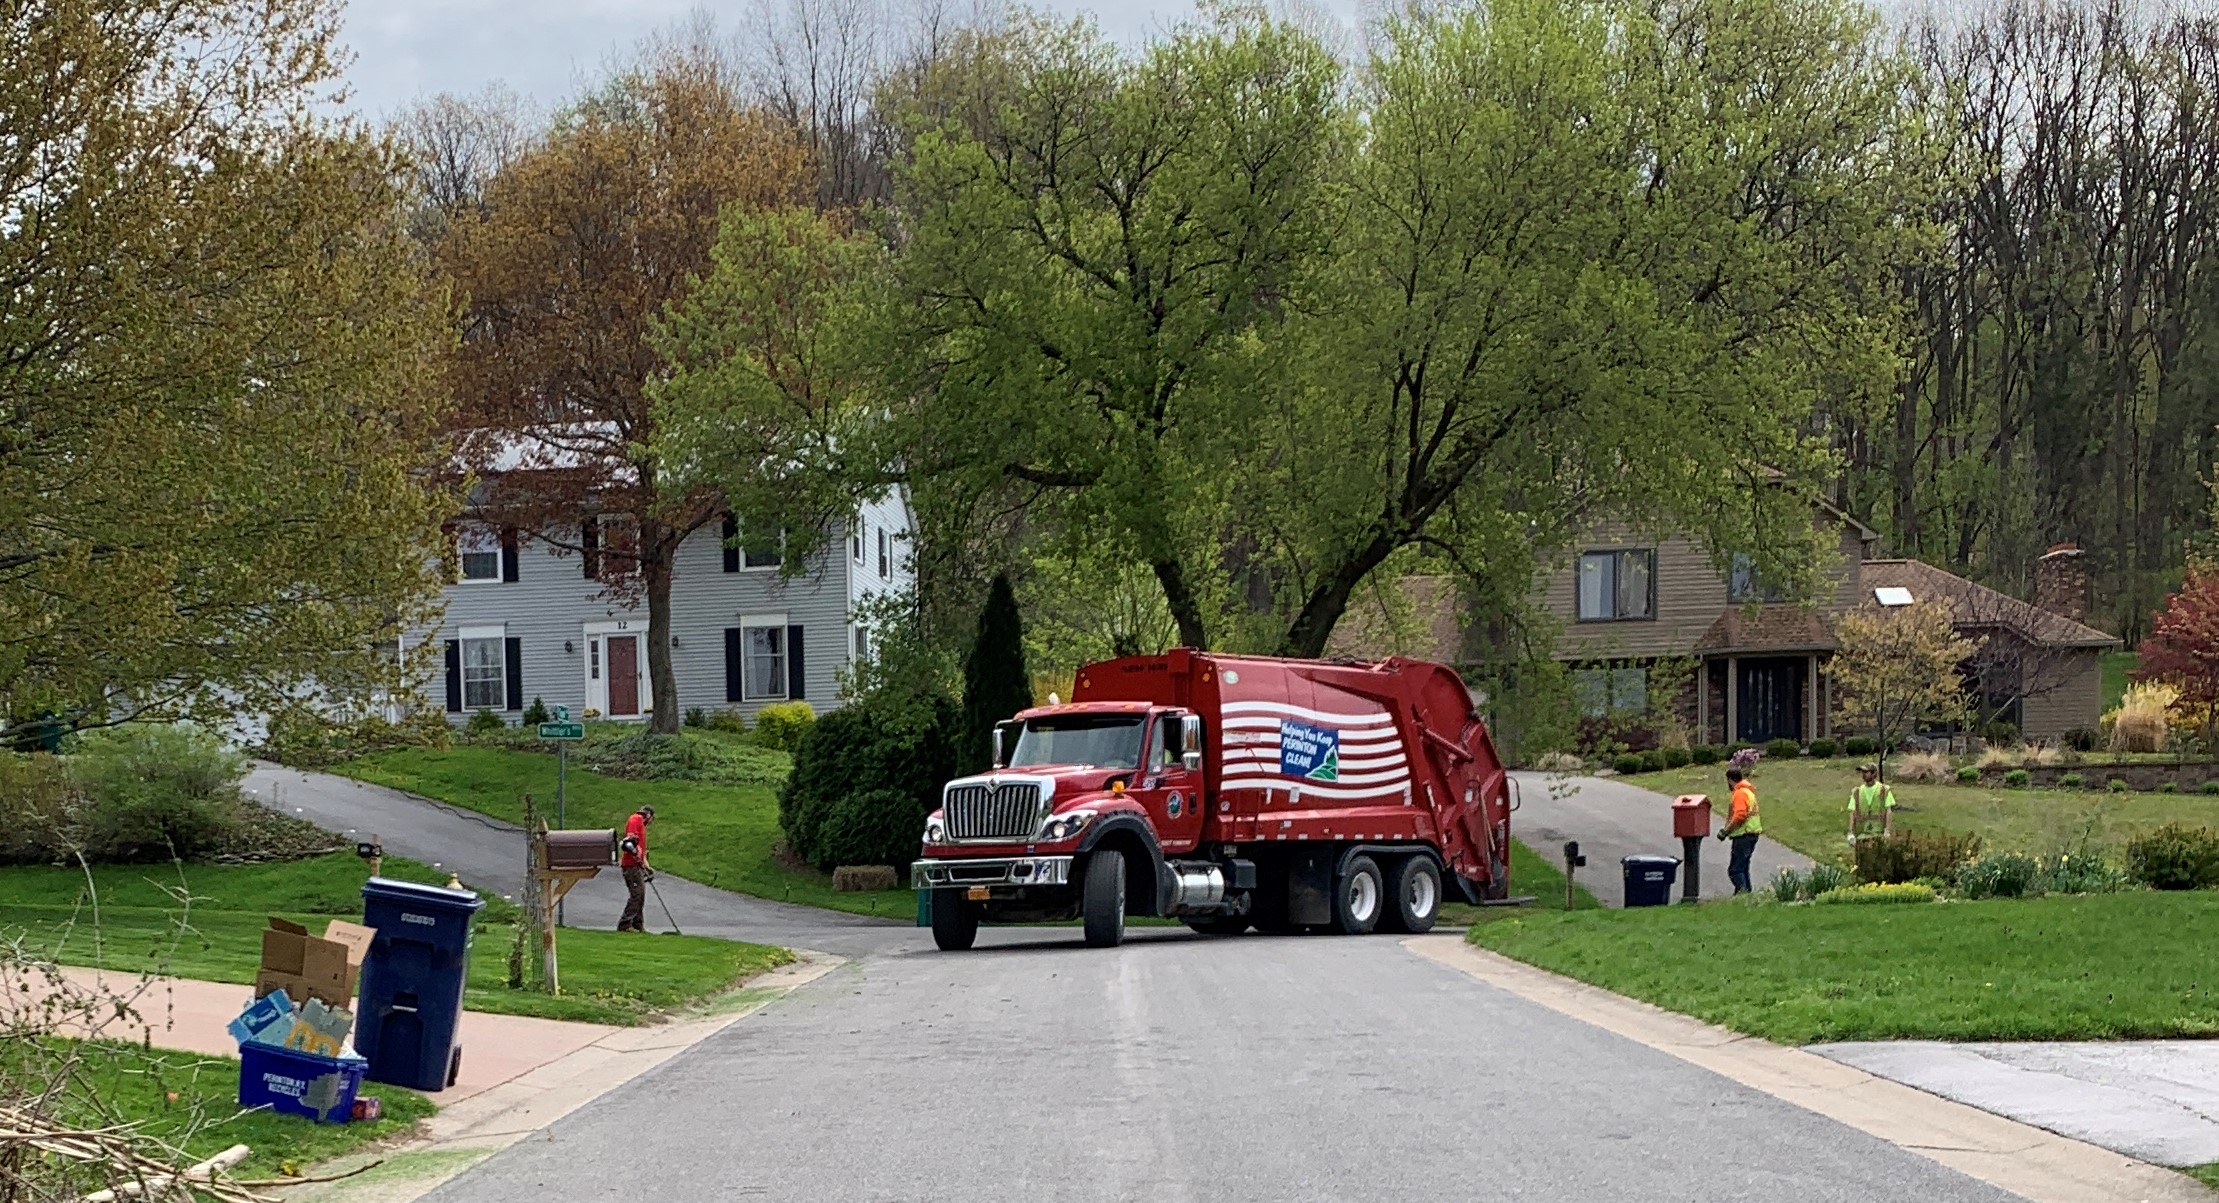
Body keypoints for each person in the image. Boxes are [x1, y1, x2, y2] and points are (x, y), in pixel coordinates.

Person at [1715, 768, 1762, 894]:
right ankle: (1746, 895)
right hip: (1752, 833)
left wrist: (1726, 831)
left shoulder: (1740, 793)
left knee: (1735, 870)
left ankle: (1742, 894)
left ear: (1730, 780)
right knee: (1743, 868)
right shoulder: (1749, 792)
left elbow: (1740, 815)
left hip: (1744, 834)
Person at [617, 804, 655, 933]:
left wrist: (647, 868)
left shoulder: (641, 825)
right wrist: (637, 856)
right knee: (636, 894)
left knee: (640, 895)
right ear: (648, 815)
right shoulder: (635, 819)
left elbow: (641, 850)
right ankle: (625, 924)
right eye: (651, 819)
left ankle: (638, 924)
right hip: (630, 865)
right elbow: (630, 842)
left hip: (636, 865)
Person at [1848, 763, 1897, 842]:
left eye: (1866, 772)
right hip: (1861, 835)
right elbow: (1852, 813)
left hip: (1880, 834)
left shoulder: (1883, 790)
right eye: (1862, 772)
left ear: (1874, 773)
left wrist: (1887, 830)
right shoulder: (1857, 792)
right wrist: (1850, 833)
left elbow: (1889, 811)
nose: (1863, 774)